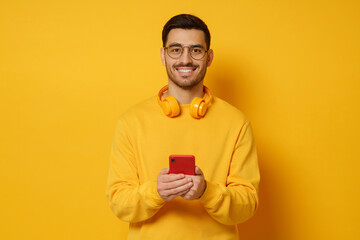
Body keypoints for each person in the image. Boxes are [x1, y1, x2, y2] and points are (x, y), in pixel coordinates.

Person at [106, 14, 260, 240]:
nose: (185, 59)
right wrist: (156, 192)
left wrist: (207, 191)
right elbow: (119, 202)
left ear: (209, 58)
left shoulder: (237, 123)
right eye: (176, 49)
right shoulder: (131, 121)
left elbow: (248, 205)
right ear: (163, 55)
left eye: (196, 50)